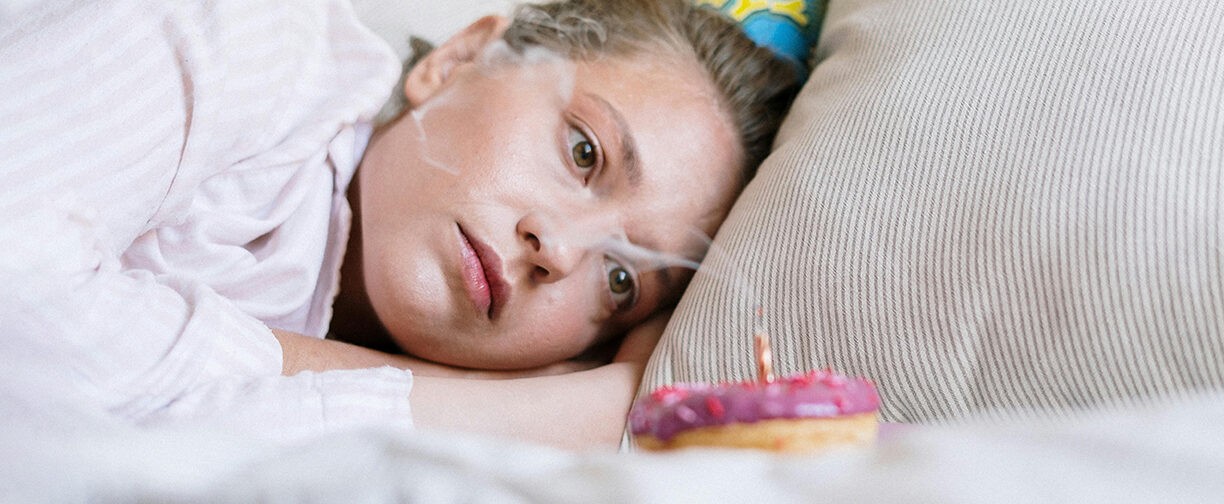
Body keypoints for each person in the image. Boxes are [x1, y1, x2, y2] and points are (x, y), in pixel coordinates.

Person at [0, 0, 798, 450]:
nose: (559, 249)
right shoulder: (241, 32)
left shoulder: (449, 461)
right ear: (460, 59)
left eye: (621, 279)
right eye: (584, 151)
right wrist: (483, 398)